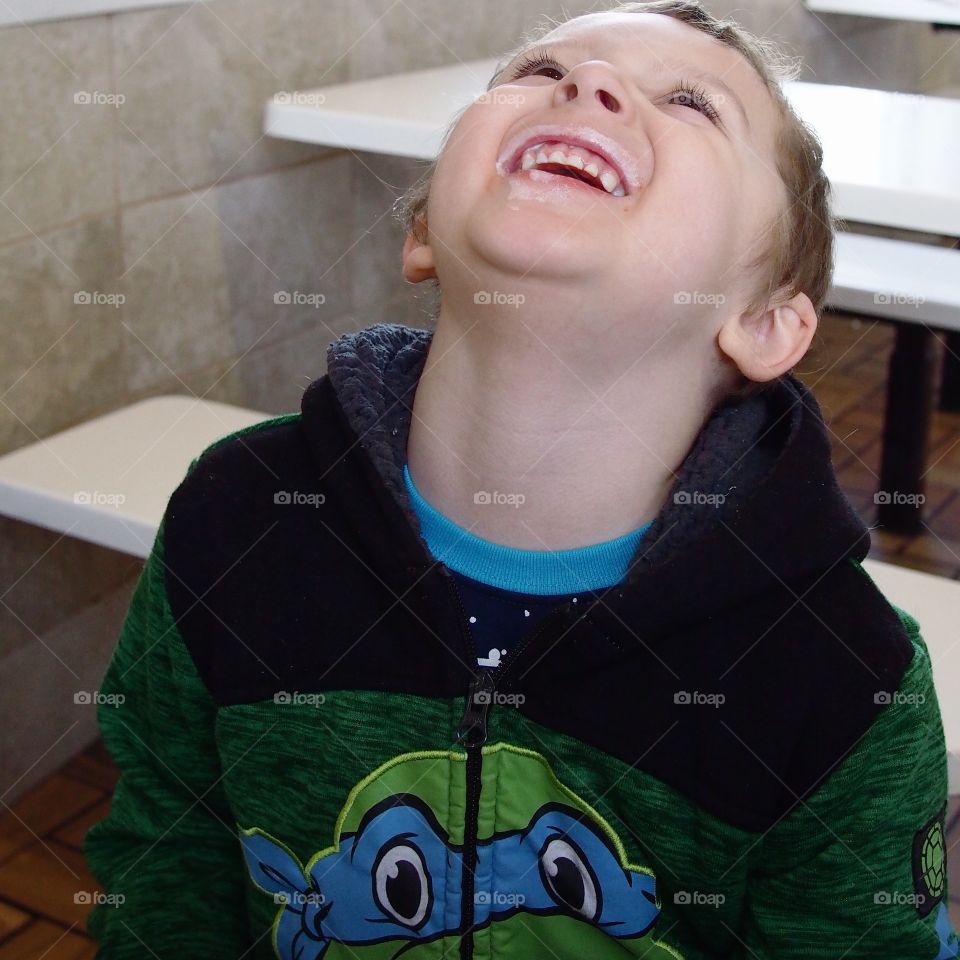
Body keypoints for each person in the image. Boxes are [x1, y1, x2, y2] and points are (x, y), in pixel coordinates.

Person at [86, 2, 959, 957]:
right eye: (541, 71)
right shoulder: (236, 519)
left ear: (764, 323)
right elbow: (166, 877)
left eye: (693, 104)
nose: (589, 87)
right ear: (421, 233)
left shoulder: (842, 676)